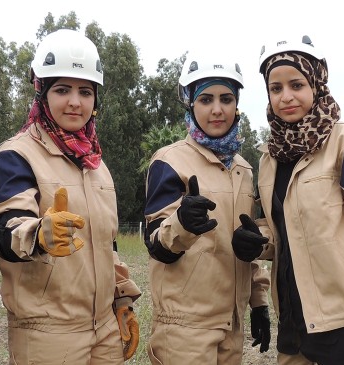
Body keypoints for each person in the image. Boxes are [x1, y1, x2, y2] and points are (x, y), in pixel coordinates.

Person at [230, 35, 344, 365]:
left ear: (317, 82)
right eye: (276, 88)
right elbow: (285, 233)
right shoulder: (269, 159)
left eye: (296, 84)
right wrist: (258, 242)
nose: (286, 97)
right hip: (294, 320)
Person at [0, 29, 141, 364]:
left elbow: (106, 245)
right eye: (62, 89)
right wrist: (38, 234)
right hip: (47, 333)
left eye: (85, 91)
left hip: (104, 329)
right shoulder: (16, 157)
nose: (75, 101)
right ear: (41, 93)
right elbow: (7, 230)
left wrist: (122, 300)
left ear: (96, 100)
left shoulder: (96, 164)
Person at [143, 54, 271, 364]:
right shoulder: (169, 161)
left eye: (226, 98)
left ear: (236, 103)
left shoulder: (243, 168)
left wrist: (259, 303)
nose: (217, 109)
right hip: (185, 330)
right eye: (206, 99)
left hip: (232, 326)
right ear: (190, 103)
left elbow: (245, 242)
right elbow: (156, 243)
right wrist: (182, 222)